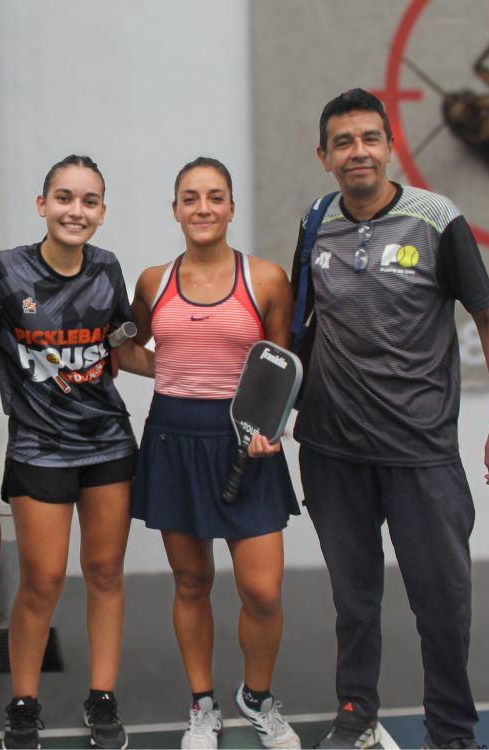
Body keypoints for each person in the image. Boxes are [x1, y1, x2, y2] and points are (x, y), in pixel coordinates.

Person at [293, 89, 489, 750]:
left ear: (389, 146)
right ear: (324, 156)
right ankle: (357, 712)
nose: (357, 151)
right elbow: (303, 327)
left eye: (369, 138)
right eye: (343, 141)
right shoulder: (315, 221)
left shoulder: (437, 218)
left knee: (442, 604)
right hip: (332, 450)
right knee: (354, 600)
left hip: (421, 452)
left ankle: (451, 732)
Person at [0, 155, 153, 750]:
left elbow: (122, 345)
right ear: (42, 204)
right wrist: (36, 371)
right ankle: (24, 702)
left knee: (105, 573)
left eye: (89, 201)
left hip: (107, 441)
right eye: (64, 197)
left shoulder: (107, 269)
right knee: (42, 580)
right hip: (38, 446)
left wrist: (195, 367)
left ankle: (101, 698)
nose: (75, 210)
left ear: (102, 213)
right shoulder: (3, 271)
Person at [129, 157, 301, 750]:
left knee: (263, 592)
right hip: (174, 438)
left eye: (215, 197)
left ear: (231, 207)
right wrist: (170, 370)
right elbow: (131, 347)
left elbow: (283, 370)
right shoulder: (153, 280)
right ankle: (202, 705)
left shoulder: (268, 279)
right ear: (175, 208)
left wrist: (271, 427)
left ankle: (256, 698)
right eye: (190, 197)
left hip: (246, 445)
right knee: (191, 582)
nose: (203, 207)